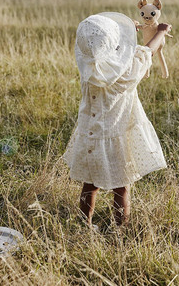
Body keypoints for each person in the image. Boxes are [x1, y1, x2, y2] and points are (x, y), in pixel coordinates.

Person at [62, 12, 171, 228]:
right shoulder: (127, 71)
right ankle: (120, 229)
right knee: (121, 187)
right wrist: (161, 31)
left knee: (90, 184)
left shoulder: (87, 65)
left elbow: (100, 46)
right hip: (115, 137)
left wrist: (128, 27)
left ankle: (84, 224)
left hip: (91, 135)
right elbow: (147, 52)